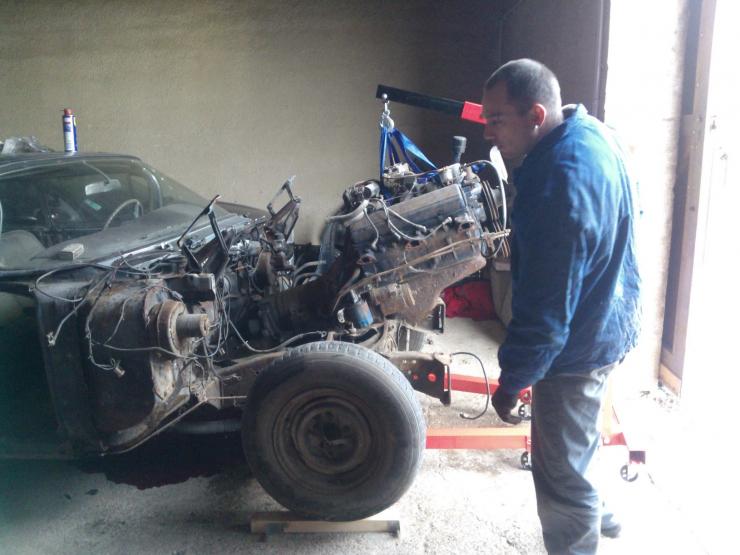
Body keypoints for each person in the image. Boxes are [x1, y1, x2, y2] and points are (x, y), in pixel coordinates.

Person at [481, 59, 641, 554]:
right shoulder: (592, 131)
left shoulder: (557, 185)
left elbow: (544, 316)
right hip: (613, 315)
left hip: (579, 345)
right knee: (581, 436)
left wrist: (512, 383)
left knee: (561, 475)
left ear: (535, 115)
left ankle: (580, 535)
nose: (488, 133)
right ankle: (604, 516)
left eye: (496, 120)